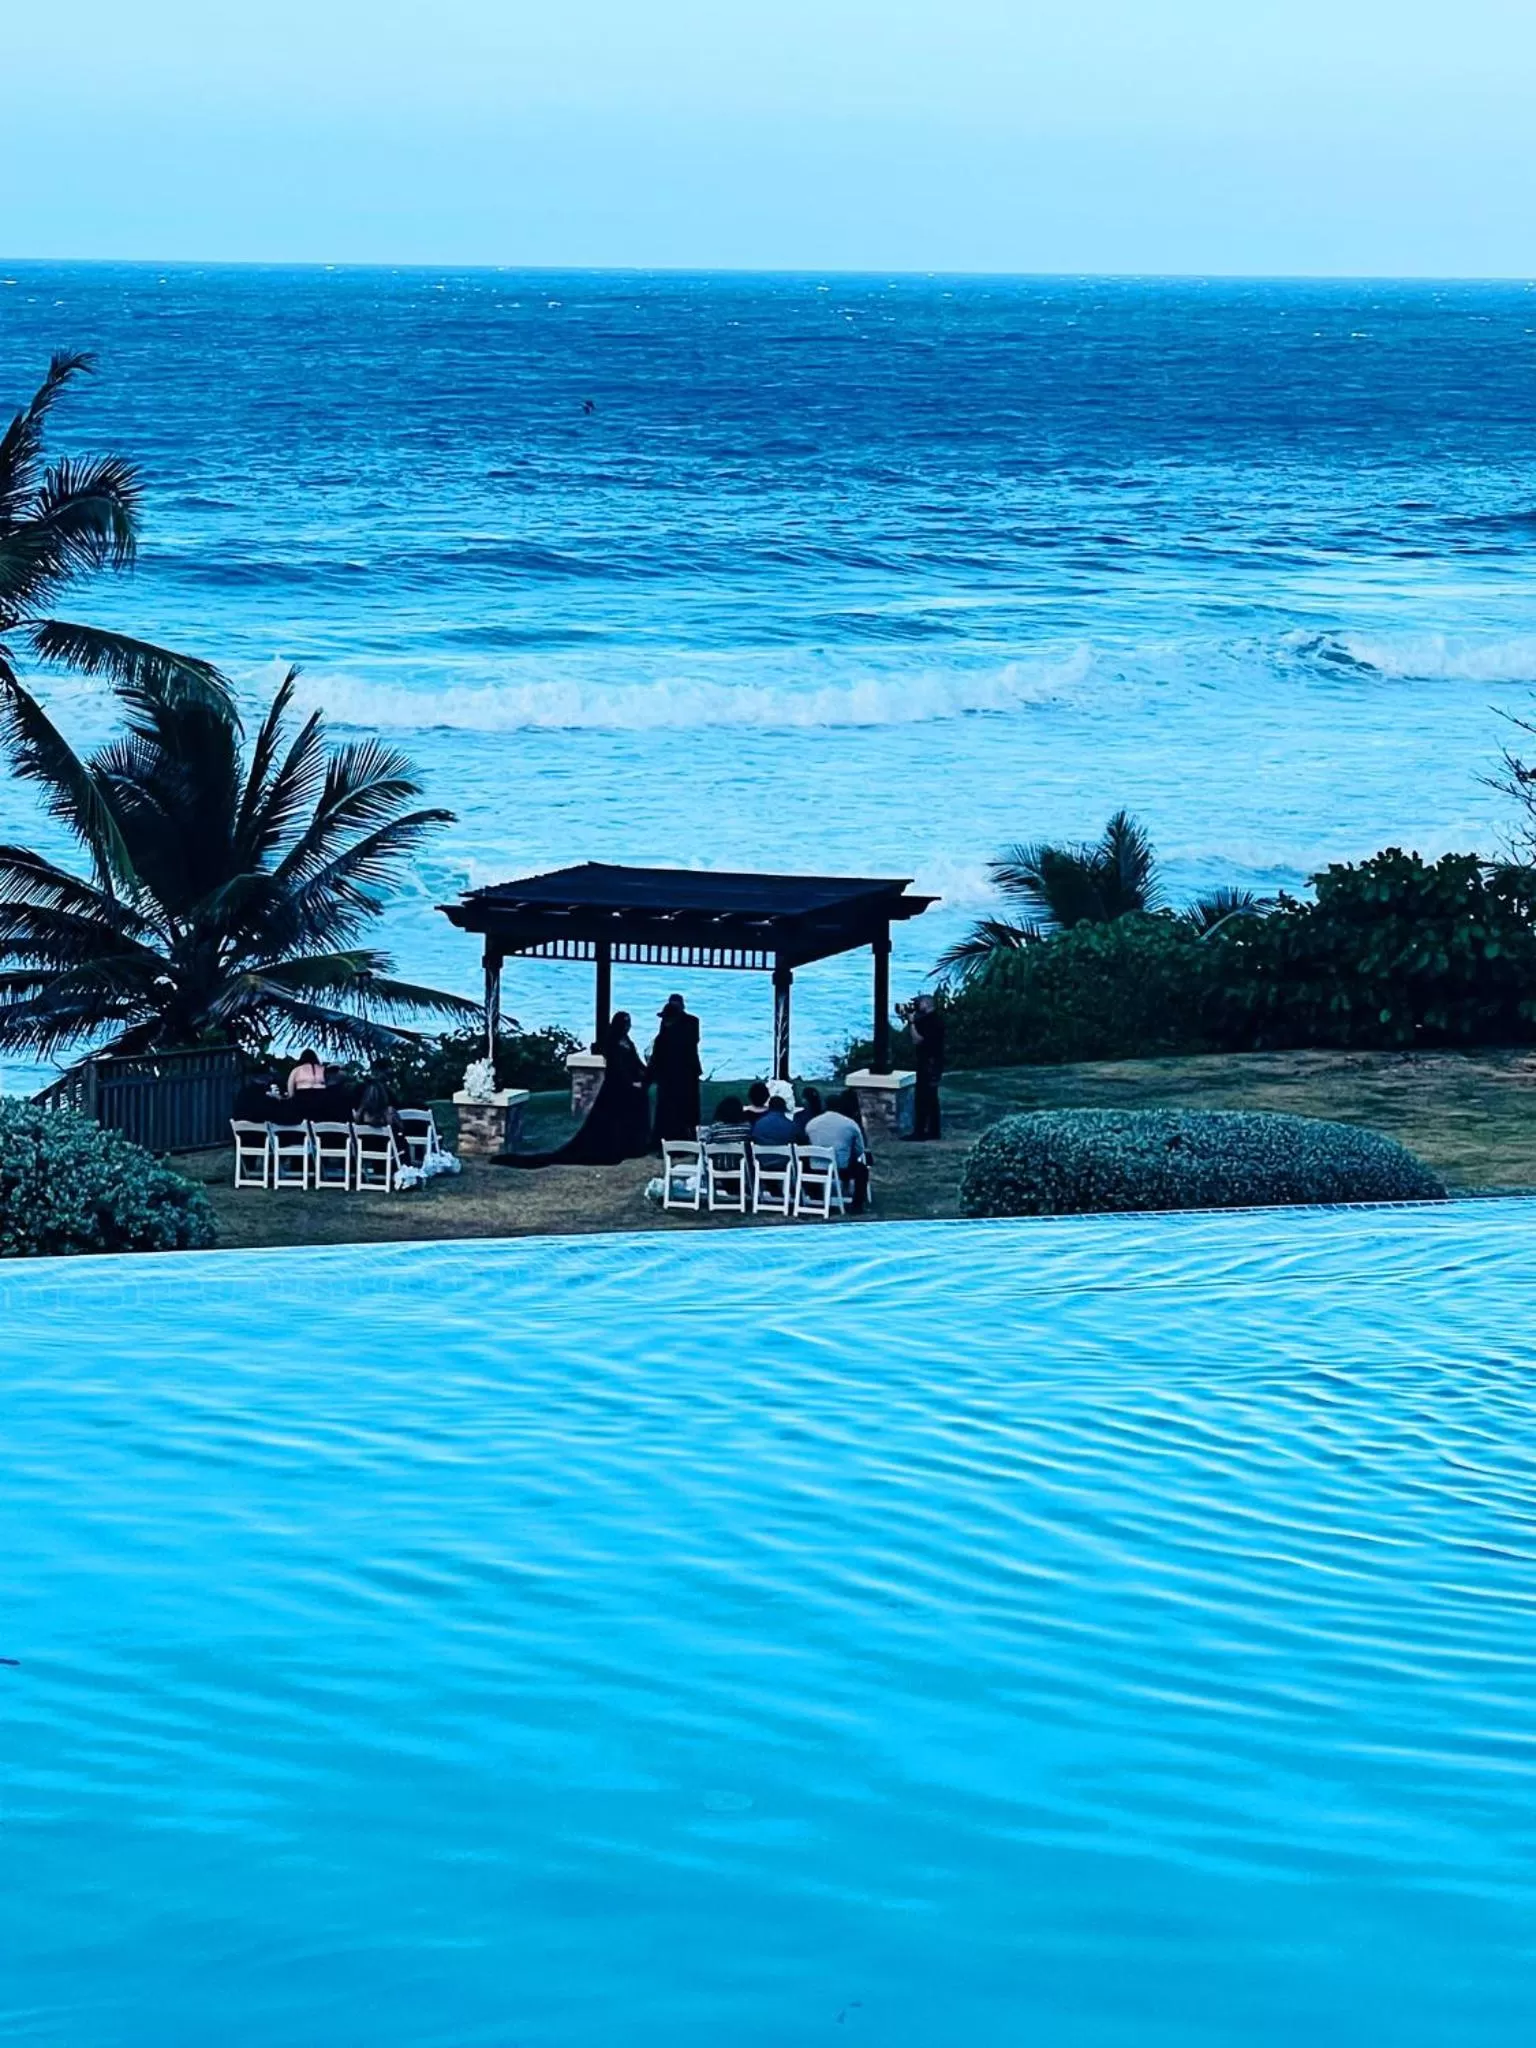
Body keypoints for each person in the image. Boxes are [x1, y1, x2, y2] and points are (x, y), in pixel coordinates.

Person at [499, 1011, 651, 1167]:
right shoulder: (612, 1042)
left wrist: (646, 1074)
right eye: (626, 1022)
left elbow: (635, 1061)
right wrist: (630, 1082)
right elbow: (616, 1067)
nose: (628, 1025)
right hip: (616, 1087)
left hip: (628, 1087)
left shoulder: (627, 1041)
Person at [649, 993, 702, 1143]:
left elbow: (691, 1043)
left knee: (686, 1106)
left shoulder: (691, 1022)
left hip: (685, 1071)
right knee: (668, 1107)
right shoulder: (668, 1023)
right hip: (669, 1073)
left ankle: (687, 1134)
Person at [806, 1089, 870, 1213]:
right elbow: (860, 1150)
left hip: (815, 1167)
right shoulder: (850, 1124)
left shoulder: (811, 1124)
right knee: (862, 1170)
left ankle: (814, 1193)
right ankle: (857, 1205)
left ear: (825, 1106)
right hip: (841, 1168)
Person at [910, 993, 946, 1141]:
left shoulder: (931, 1023)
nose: (917, 1006)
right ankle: (933, 1130)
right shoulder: (934, 1020)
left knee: (923, 1098)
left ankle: (921, 1131)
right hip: (934, 1063)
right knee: (931, 1099)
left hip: (928, 1063)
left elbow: (917, 1040)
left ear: (926, 1004)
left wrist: (911, 1023)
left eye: (919, 1003)